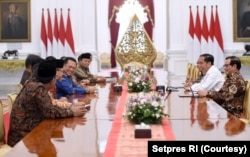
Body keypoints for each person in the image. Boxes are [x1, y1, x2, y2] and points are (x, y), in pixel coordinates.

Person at [7, 60, 87, 147]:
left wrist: (70, 108)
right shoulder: (38, 88)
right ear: (53, 79)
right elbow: (50, 112)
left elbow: (49, 107)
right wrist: (72, 112)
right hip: (23, 139)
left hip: (26, 133)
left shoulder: (33, 83)